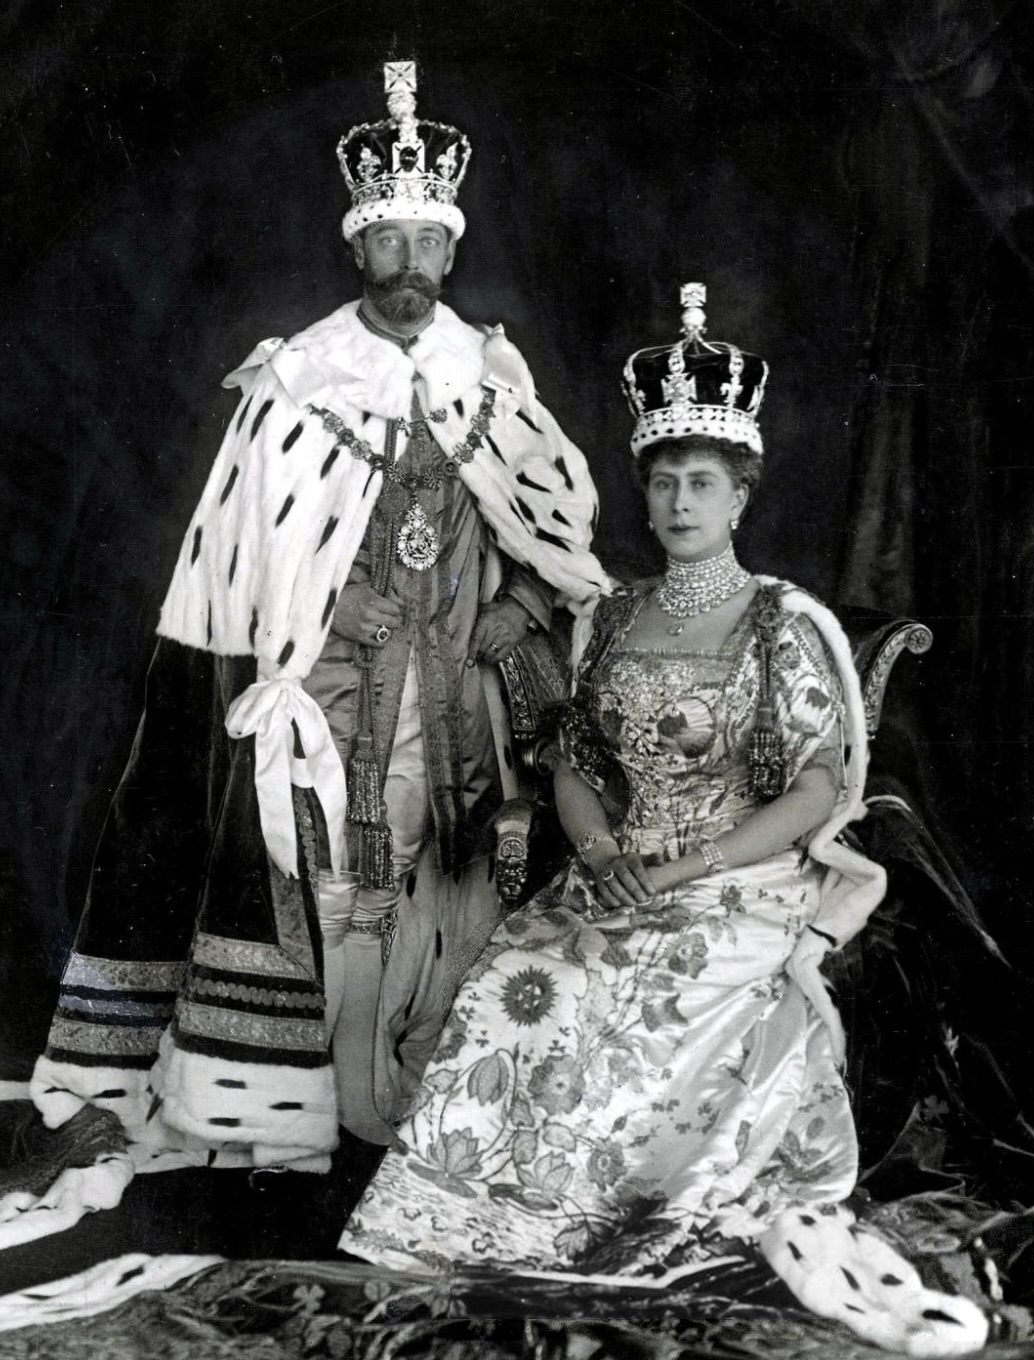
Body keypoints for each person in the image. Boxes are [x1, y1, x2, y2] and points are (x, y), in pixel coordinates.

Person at [339, 285, 989, 1356]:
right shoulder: (616, 614)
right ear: (643, 497)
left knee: (635, 992)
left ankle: (616, 1225)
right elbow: (572, 762)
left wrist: (695, 861)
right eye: (664, 481)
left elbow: (817, 788)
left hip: (741, 872)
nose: (681, 501)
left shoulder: (782, 621)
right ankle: (478, 1220)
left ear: (739, 497)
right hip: (619, 864)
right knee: (519, 972)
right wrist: (597, 848)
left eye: (702, 482)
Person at [26, 59, 608, 1196]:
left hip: (460, 706)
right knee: (331, 886)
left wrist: (515, 609)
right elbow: (246, 562)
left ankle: (438, 1109)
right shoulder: (295, 384)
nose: (407, 268)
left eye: (424, 244)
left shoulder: (486, 379)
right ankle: (297, 1120)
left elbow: (552, 535)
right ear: (356, 246)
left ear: (450, 247)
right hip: (329, 694)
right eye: (385, 243)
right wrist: (332, 616)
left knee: (458, 885)